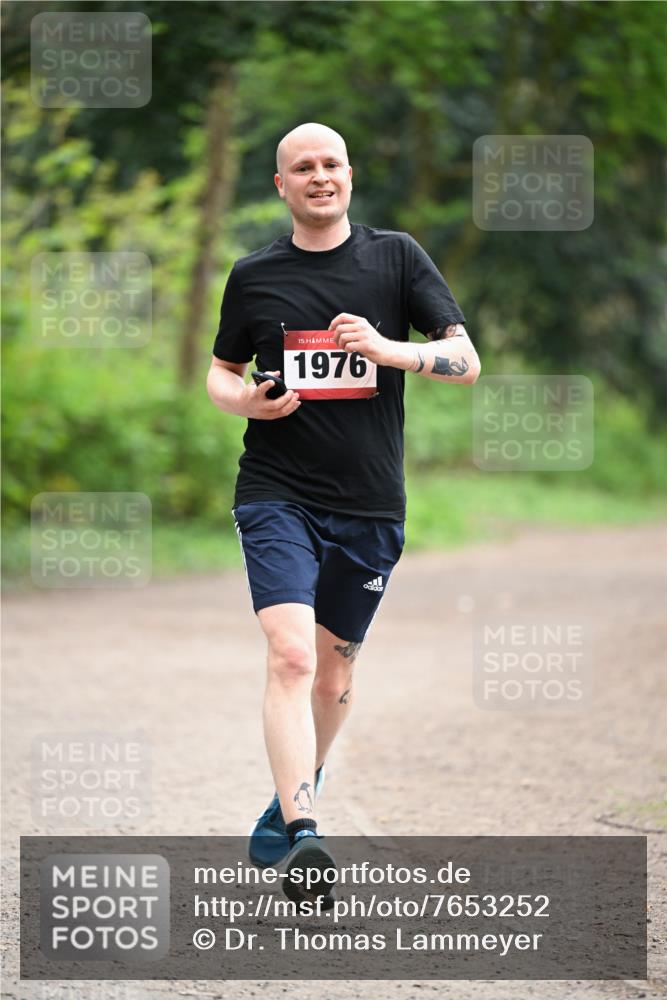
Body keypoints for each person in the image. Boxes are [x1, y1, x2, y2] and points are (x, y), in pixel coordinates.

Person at [206, 122, 480, 903]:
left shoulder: (396, 258)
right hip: (275, 491)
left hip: (369, 503)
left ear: (349, 176)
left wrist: (390, 351)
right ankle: (303, 834)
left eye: (330, 164)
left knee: (332, 674)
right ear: (281, 186)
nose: (318, 176)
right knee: (290, 656)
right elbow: (220, 375)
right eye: (302, 168)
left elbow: (465, 361)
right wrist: (248, 407)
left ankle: (295, 788)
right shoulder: (253, 275)